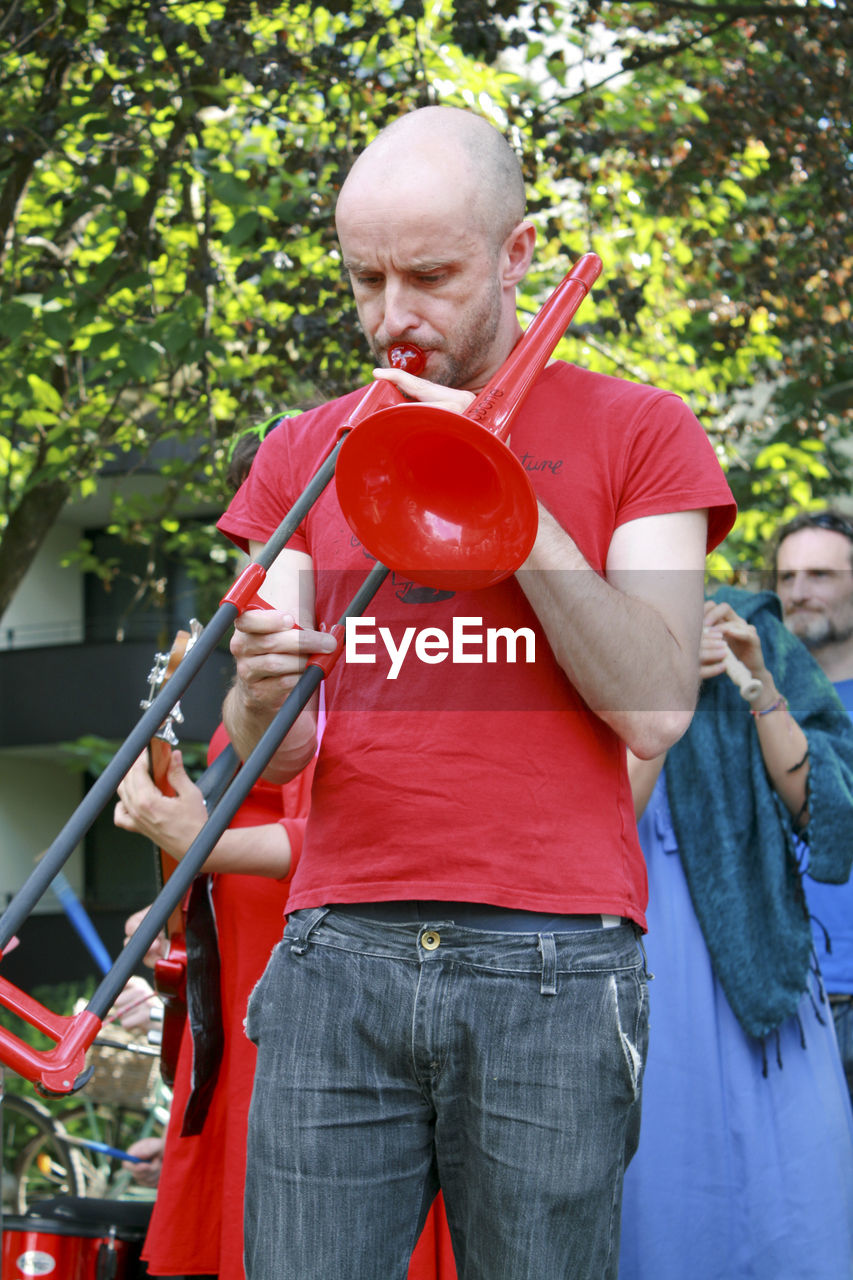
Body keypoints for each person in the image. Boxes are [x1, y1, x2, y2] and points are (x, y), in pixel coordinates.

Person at [217, 104, 736, 1279]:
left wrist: (512, 506)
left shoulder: (641, 429)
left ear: (516, 252)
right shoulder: (306, 447)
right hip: (338, 948)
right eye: (365, 279)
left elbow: (655, 705)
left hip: (553, 959)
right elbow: (278, 755)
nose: (392, 316)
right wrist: (260, 697)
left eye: (431, 275)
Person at [618, 587, 853, 1279]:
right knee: (656, 1183)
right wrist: (665, 684)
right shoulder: (562, 627)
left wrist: (758, 681)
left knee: (792, 1192)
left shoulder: (748, 619)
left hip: (760, 954)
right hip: (620, 943)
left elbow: (830, 817)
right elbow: (585, 826)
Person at [774, 507, 853, 1097]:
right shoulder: (745, 705)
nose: (799, 593)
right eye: (787, 578)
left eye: (821, 575)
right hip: (782, 1001)